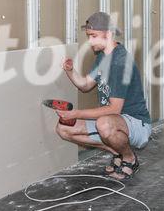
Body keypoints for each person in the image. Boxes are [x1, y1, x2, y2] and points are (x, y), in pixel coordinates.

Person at [55, 11, 152, 180]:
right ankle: (118, 152)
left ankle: (129, 158)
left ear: (108, 34)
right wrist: (70, 71)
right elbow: (85, 85)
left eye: (94, 36)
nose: (90, 41)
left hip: (136, 123)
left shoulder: (120, 62)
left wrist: (76, 113)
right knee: (63, 129)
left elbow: (115, 109)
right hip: (112, 121)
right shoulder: (102, 57)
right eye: (89, 36)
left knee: (104, 124)